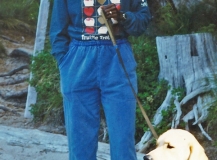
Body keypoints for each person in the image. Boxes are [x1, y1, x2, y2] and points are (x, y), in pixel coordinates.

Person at [49, 0, 151, 159]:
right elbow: (57, 28)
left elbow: (142, 21)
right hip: (78, 60)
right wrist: (65, 61)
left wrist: (122, 16)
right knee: (79, 138)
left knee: (123, 137)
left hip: (117, 58)